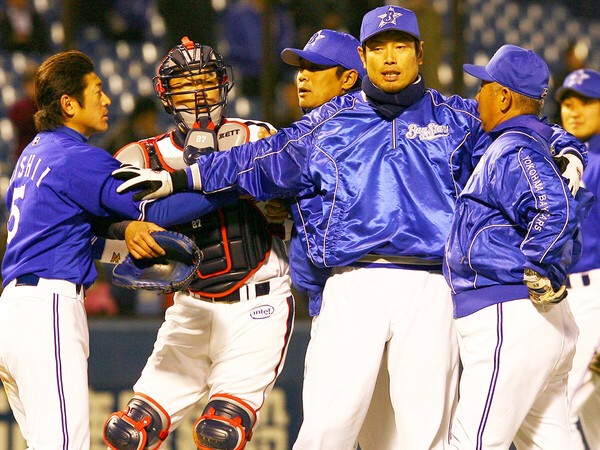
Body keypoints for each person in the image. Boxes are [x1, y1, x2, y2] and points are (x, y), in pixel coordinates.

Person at [113, 6, 587, 448]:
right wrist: (178, 178)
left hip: (431, 288)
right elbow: (251, 162)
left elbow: (525, 125)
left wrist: (567, 151)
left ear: (419, 53)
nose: (390, 57)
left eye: (400, 45)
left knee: (420, 434)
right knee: (327, 427)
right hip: (351, 284)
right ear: (362, 57)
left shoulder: (458, 117)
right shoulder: (329, 121)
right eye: (378, 47)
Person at [0, 49, 246, 450]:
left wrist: (126, 232)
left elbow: (80, 232)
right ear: (68, 104)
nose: (107, 98)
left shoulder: (34, 154)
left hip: (13, 312)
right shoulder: (74, 157)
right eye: (96, 91)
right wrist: (230, 186)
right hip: (47, 311)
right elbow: (158, 206)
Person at [103, 37, 294, 450]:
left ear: (223, 84)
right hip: (190, 305)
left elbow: (294, 192)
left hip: (257, 302)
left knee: (220, 432)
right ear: (166, 95)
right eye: (186, 85)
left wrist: (281, 206)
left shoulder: (256, 134)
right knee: (128, 432)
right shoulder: (141, 154)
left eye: (205, 82)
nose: (198, 94)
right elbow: (112, 225)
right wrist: (132, 230)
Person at [445, 44, 588, 450]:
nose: (477, 96)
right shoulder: (523, 144)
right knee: (550, 443)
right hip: (536, 321)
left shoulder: (513, 148)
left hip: (510, 314)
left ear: (504, 96)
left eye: (484, 86)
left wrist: (541, 265)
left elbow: (553, 208)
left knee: (472, 443)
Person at [279, 28, 397, 450]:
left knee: (325, 433)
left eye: (315, 68)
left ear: (349, 77)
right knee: (388, 439)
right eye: (300, 68)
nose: (302, 76)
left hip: (349, 292)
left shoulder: (331, 129)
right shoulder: (374, 122)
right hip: (387, 297)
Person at [556, 68, 600, 450]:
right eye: (568, 102)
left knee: (560, 409)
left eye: (586, 101)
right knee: (593, 414)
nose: (575, 110)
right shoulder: (565, 159)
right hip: (567, 294)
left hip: (594, 293)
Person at [7, 64, 38, 165]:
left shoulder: (47, 105)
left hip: (44, 155)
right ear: (25, 86)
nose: (34, 88)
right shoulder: (18, 107)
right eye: (31, 83)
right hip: (24, 156)